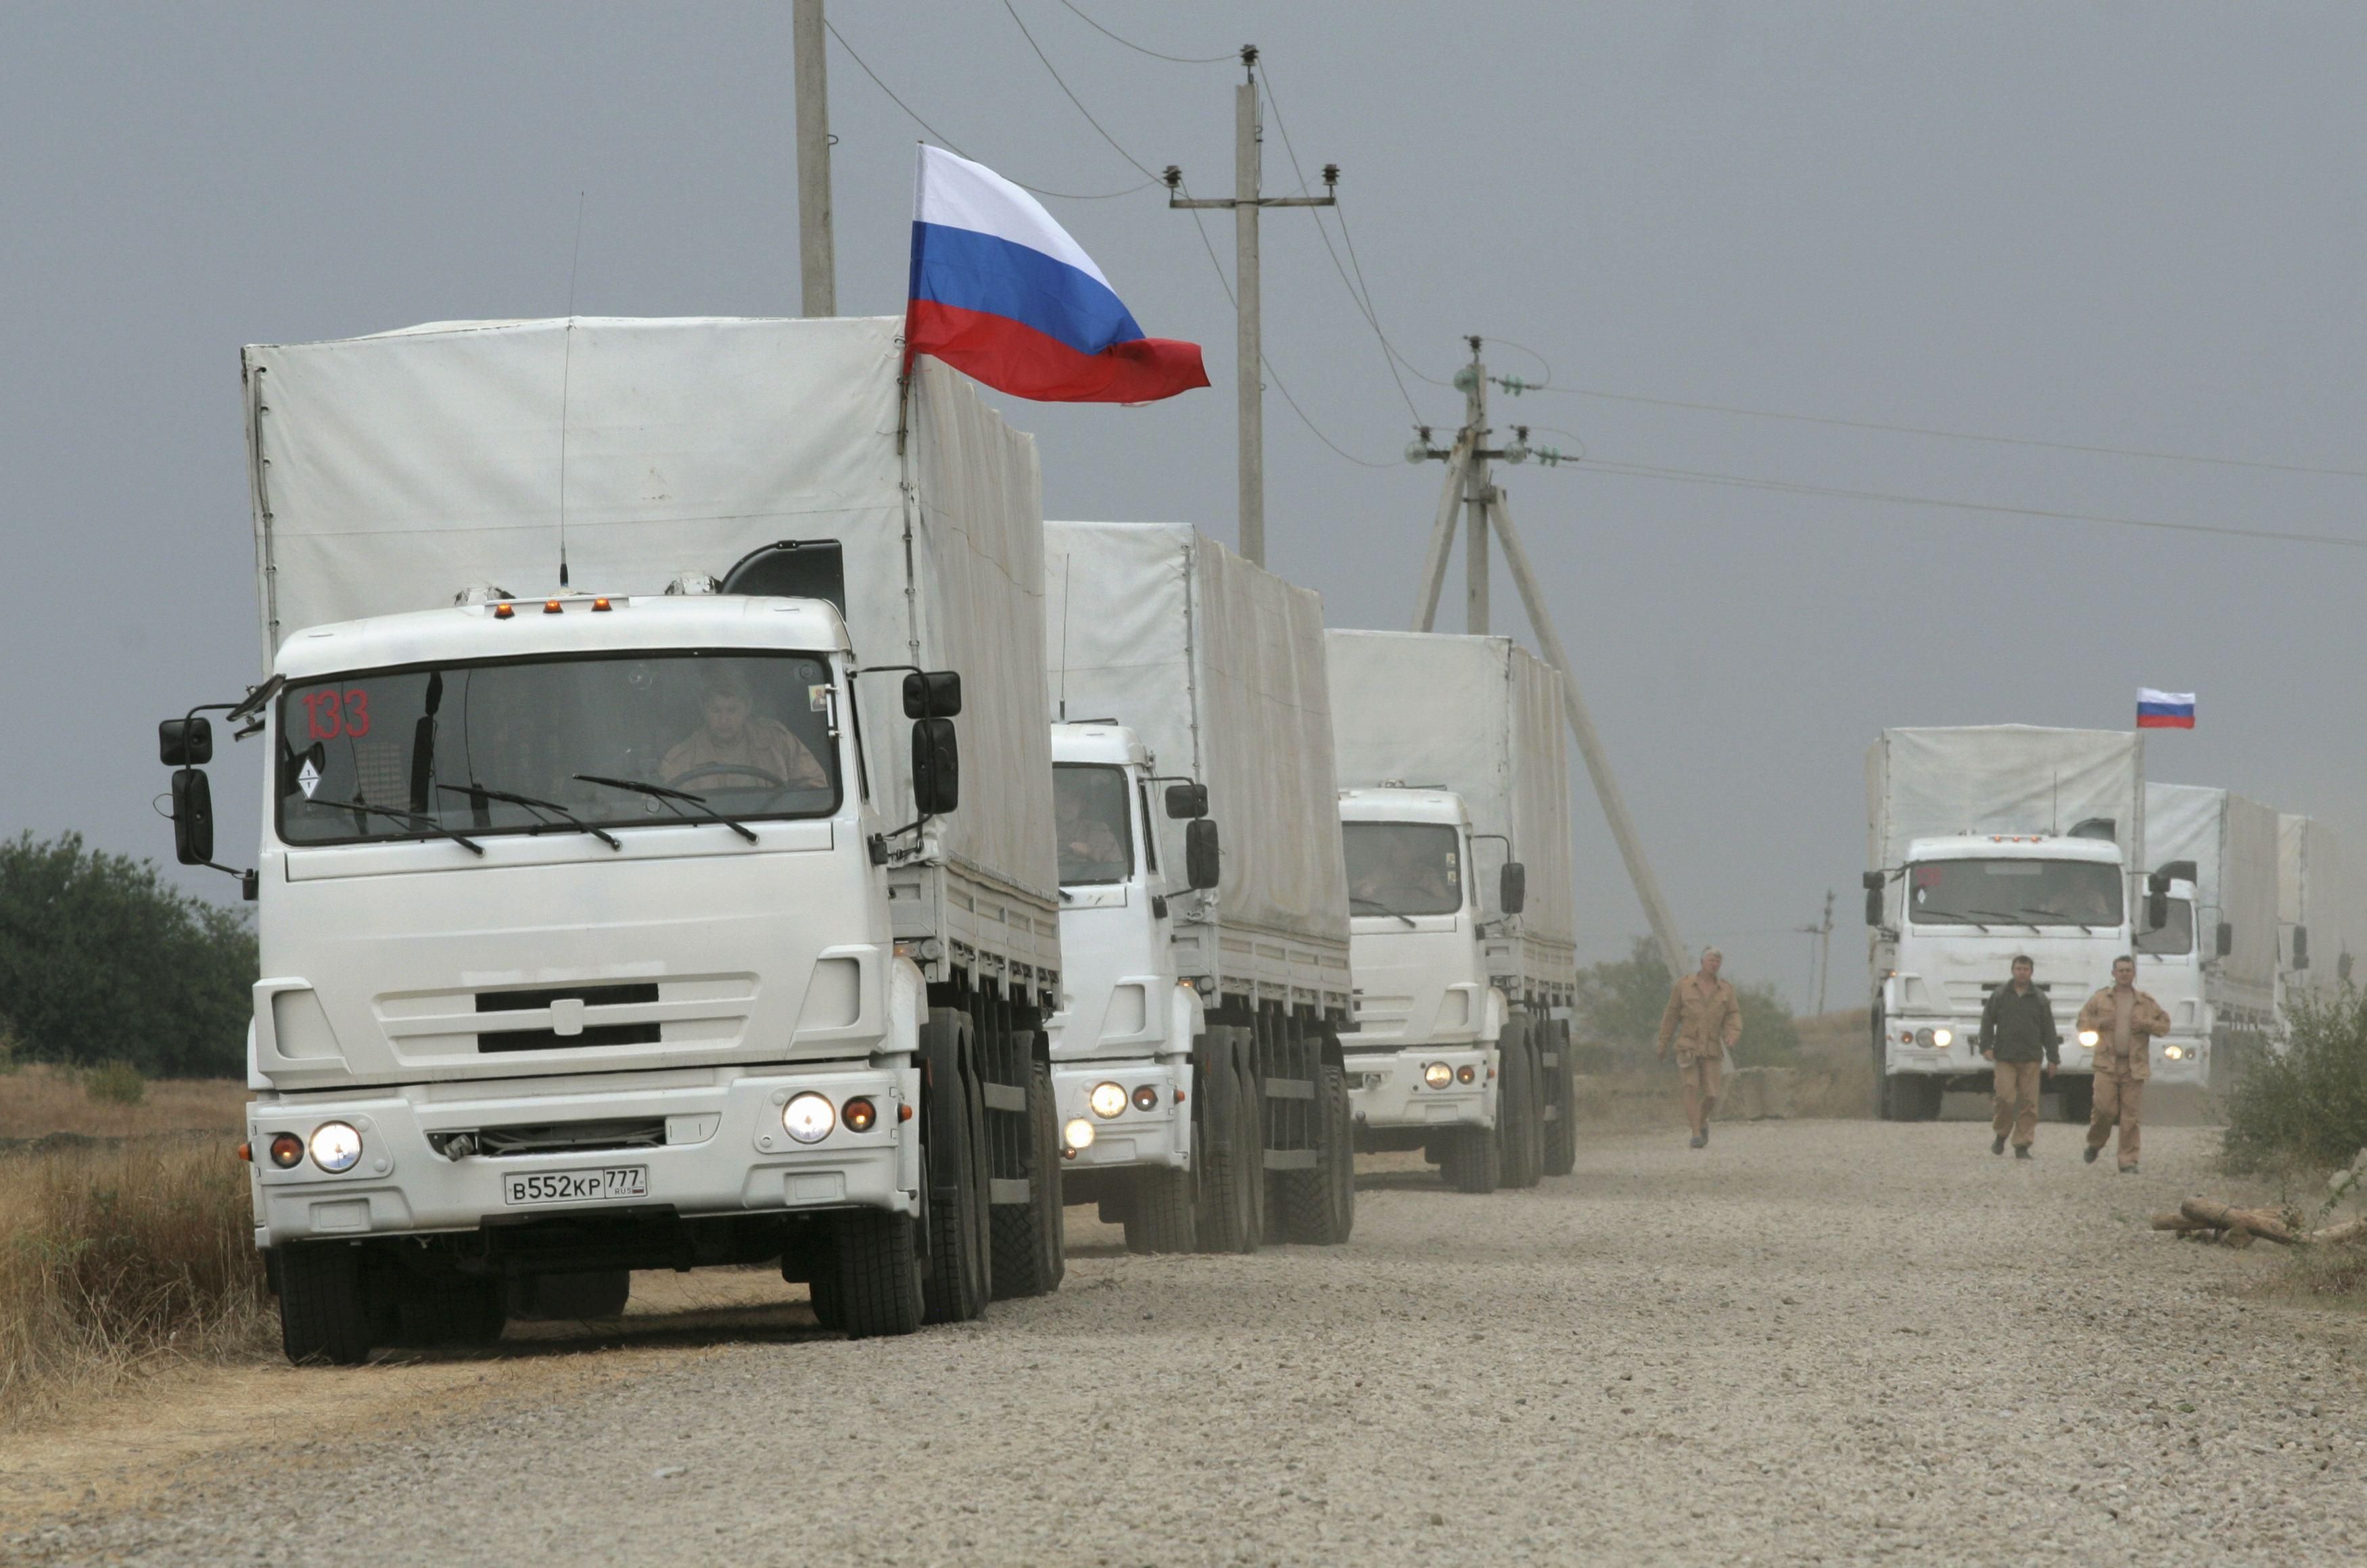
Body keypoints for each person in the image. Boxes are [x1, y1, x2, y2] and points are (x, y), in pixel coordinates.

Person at [661, 665, 826, 792]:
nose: (724, 720)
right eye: (716, 711)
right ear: (703, 709)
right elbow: (663, 811)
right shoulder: (679, 760)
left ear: (748, 708)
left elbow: (814, 789)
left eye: (732, 710)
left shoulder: (778, 742)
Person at [2075, 955, 2171, 1174]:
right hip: (2106, 1064)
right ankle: (2095, 1143)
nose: (2125, 974)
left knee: (2130, 1116)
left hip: (2134, 1067)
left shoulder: (2145, 1002)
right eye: (2121, 970)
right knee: (2104, 1109)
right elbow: (2081, 1023)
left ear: (2134, 973)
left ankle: (2128, 1160)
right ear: (2113, 974)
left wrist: (2145, 1024)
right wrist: (2100, 1023)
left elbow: (2164, 1026)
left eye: (2128, 970)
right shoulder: (2100, 999)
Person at [1657, 946, 1741, 1150]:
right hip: (1688, 1047)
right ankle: (1695, 1133)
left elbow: (1733, 1014)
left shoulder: (1726, 990)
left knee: (1712, 1094)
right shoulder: (1684, 986)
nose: (1714, 964)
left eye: (1718, 961)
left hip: (1712, 1048)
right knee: (1690, 1087)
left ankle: (1702, 1121)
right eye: (1711, 960)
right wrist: (1663, 1042)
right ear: (1702, 962)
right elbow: (1671, 1015)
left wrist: (1732, 1033)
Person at [1978, 954, 2059, 1159]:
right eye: (2018, 969)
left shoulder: (2040, 998)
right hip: (2005, 1056)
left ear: (2032, 972)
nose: (2022, 972)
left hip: (2031, 1057)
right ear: (2012, 971)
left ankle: (2022, 1145)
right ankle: (2001, 1134)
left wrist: (2053, 1058)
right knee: (2005, 1098)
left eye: (2026, 969)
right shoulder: (2000, 995)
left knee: (2029, 1103)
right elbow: (1987, 1021)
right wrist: (1986, 1046)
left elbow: (2049, 1028)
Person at [1055, 780, 1128, 883]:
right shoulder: (1042, 833)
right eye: (1061, 800)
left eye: (1072, 799)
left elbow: (1118, 874)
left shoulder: (1101, 834)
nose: (1066, 805)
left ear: (1082, 803)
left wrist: (1091, 853)